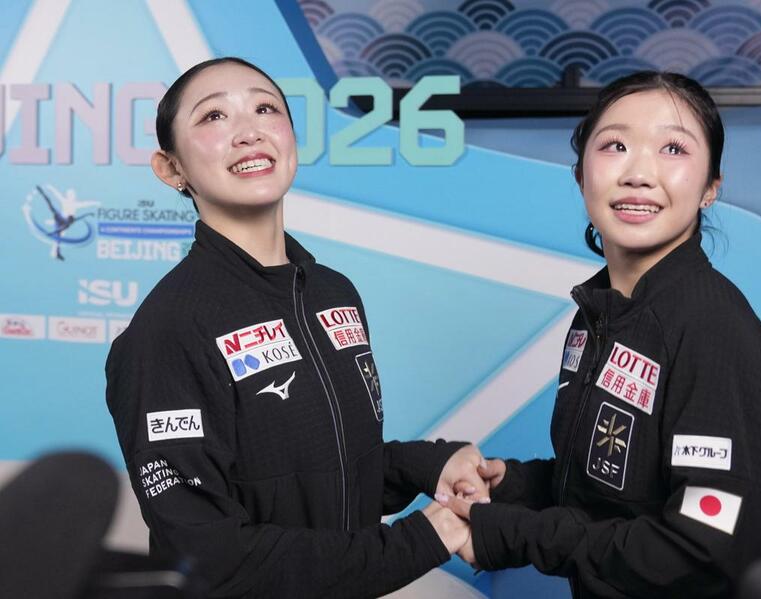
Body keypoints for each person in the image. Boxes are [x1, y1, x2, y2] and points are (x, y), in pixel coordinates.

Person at [105, 57, 487, 598]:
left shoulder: (333, 292)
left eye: (266, 109)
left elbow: (318, 475)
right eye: (214, 116)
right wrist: (423, 538)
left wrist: (430, 465)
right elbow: (213, 559)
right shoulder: (167, 331)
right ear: (172, 169)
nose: (249, 131)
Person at [438, 71, 761, 598]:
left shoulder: (711, 327)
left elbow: (703, 550)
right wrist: (513, 486)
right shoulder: (601, 312)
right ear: (580, 175)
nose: (639, 173)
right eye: (615, 145)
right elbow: (619, 485)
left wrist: (516, 536)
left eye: (673, 149)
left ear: (710, 187)